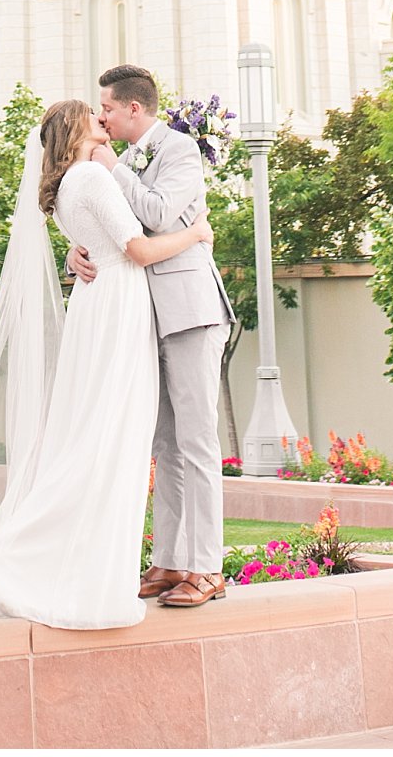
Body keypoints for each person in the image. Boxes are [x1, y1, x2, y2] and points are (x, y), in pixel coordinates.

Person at [0, 97, 214, 631]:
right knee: (110, 440)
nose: (103, 120)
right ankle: (45, 565)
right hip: (118, 308)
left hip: (97, 307)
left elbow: (100, 241)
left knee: (96, 434)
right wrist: (197, 234)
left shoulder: (63, 189)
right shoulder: (93, 177)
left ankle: (79, 566)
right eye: (94, 114)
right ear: (77, 129)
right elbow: (138, 249)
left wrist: (78, 252)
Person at [67, 65, 235, 609]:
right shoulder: (124, 160)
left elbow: (159, 216)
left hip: (188, 311)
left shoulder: (181, 150)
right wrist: (80, 249)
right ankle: (168, 560)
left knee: (197, 442)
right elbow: (119, 230)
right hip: (143, 317)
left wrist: (113, 167)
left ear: (134, 108)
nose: (103, 118)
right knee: (164, 445)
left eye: (109, 109)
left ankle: (207, 567)